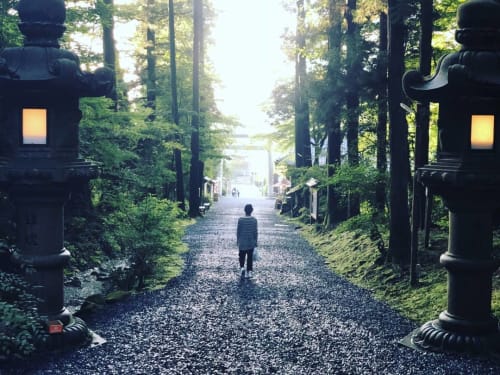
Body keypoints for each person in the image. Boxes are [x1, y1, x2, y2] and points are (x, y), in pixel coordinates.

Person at [236, 203, 258, 278]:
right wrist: (255, 241)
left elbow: (238, 231)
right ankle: (249, 271)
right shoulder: (254, 220)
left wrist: (238, 240)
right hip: (250, 241)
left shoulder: (240, 220)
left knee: (241, 255)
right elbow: (255, 232)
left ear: (244, 210)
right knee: (250, 257)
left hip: (242, 241)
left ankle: (242, 267)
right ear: (251, 211)